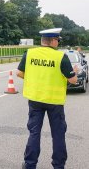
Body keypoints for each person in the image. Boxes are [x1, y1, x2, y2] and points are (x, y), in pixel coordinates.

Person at [16, 28, 78, 169]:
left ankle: (30, 164)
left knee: (34, 132)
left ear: (43, 41)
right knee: (58, 134)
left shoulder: (30, 53)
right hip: (54, 102)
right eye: (58, 40)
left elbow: (19, 73)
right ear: (54, 41)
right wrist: (75, 71)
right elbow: (73, 80)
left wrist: (34, 79)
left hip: (35, 100)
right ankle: (58, 165)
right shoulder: (60, 57)